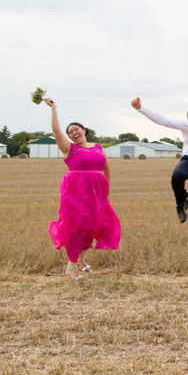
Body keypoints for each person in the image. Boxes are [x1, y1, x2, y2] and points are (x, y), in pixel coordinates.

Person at [44, 97, 121, 282]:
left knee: (94, 226)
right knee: (76, 227)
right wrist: (54, 108)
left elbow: (106, 169)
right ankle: (71, 265)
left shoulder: (98, 147)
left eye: (76, 129)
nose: (73, 133)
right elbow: (56, 131)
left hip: (96, 193)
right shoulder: (68, 149)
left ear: (84, 130)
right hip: (75, 192)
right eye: (70, 132)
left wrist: (106, 190)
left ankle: (79, 258)